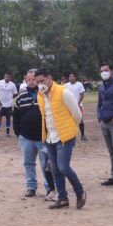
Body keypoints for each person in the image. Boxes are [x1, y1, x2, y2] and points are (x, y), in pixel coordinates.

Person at [35, 68, 86, 210]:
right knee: (55, 169)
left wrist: (70, 129)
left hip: (64, 137)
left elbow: (77, 114)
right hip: (49, 137)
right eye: (38, 82)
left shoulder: (63, 92)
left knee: (63, 167)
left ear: (49, 77)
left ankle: (80, 192)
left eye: (42, 81)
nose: (40, 84)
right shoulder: (40, 95)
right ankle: (62, 198)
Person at [13, 72, 55, 200]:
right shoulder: (21, 98)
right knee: (28, 163)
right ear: (25, 81)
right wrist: (18, 133)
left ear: (38, 81)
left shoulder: (45, 94)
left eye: (34, 80)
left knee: (46, 164)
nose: (32, 82)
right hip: (26, 137)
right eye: (29, 80)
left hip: (43, 137)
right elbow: (16, 117)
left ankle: (50, 188)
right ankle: (31, 187)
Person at [0, 71, 18, 137]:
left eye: (9, 77)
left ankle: (7, 132)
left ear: (10, 78)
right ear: (4, 76)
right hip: (0, 104)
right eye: (6, 76)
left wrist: (10, 99)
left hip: (9, 104)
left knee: (8, 118)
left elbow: (15, 93)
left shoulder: (12, 85)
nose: (7, 78)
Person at [64, 72, 87, 141]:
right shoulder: (65, 85)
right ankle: (69, 136)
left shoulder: (79, 85)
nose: (71, 77)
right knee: (68, 121)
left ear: (75, 78)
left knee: (80, 120)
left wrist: (78, 103)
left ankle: (83, 136)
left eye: (73, 76)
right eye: (70, 76)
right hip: (68, 107)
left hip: (78, 106)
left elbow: (82, 94)